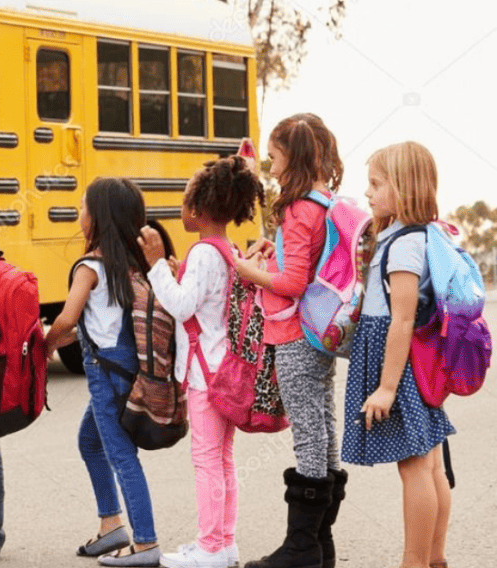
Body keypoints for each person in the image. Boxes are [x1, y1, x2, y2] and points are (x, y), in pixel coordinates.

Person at [232, 113, 348, 568]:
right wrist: (269, 253)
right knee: (323, 426)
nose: (271, 166)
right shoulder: (323, 202)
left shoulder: (299, 209)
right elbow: (298, 265)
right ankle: (320, 543)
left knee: (308, 434)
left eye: (276, 157)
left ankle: (301, 547)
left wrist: (246, 271)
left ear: (293, 157)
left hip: (295, 332)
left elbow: (294, 282)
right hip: (318, 334)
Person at [140, 157, 266, 568]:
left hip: (205, 374)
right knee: (223, 459)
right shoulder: (228, 250)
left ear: (196, 209)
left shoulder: (201, 253)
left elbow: (180, 305)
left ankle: (211, 546)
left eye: (183, 202)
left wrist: (157, 264)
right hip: (225, 370)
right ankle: (224, 542)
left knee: (207, 460)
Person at [341, 141, 454, 568]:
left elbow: (401, 320)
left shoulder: (404, 245)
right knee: (431, 466)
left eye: (375, 184)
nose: (367, 192)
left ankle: (414, 562)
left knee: (414, 469)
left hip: (399, 367)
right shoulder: (410, 235)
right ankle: (435, 557)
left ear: (403, 188)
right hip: (412, 364)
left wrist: (387, 388)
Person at [45, 178, 161, 567]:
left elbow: (66, 318)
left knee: (122, 456)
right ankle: (112, 525)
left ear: (97, 218)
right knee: (90, 442)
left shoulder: (89, 266)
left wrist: (44, 346)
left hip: (105, 374)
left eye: (82, 208)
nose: (79, 215)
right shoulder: (133, 265)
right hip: (127, 369)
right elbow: (99, 324)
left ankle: (146, 543)